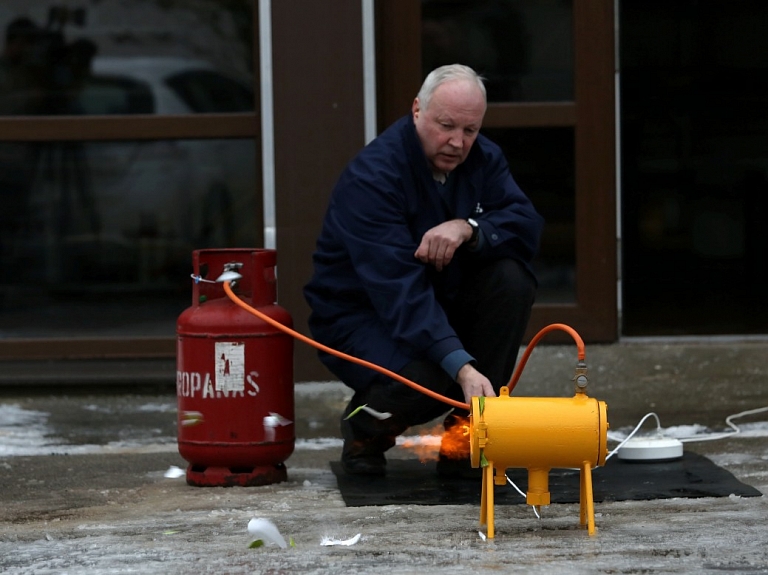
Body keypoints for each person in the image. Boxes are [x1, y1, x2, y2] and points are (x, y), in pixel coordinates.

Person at [303, 64, 544, 476]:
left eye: (470, 131)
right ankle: (364, 433)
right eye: (446, 125)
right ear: (417, 110)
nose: (457, 142)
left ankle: (466, 439)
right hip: (362, 313)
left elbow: (526, 226)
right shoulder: (373, 177)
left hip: (439, 297)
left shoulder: (485, 158)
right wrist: (463, 368)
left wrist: (469, 229)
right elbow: (398, 291)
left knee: (511, 279)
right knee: (430, 379)